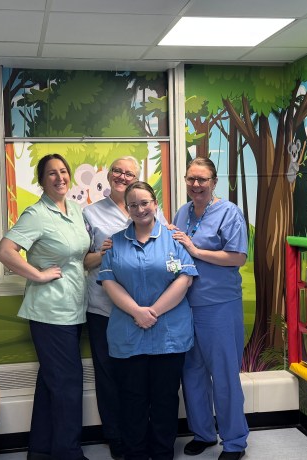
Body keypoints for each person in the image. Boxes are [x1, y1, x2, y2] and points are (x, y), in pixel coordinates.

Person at [0, 153, 91, 460]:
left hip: (73, 308)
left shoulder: (74, 209)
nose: (60, 177)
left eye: (64, 171)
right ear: (41, 179)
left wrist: (105, 251)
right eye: (52, 173)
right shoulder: (36, 214)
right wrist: (37, 274)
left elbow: (77, 257)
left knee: (52, 382)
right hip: (50, 312)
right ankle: (68, 452)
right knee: (68, 385)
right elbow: (4, 250)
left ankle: (40, 449)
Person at [98, 181, 197, 460]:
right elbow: (108, 282)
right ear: (127, 209)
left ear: (155, 204)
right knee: (132, 399)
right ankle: (136, 453)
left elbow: (184, 279)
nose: (140, 209)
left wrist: (152, 311)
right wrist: (137, 312)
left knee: (165, 399)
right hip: (128, 333)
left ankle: (163, 452)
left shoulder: (174, 239)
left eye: (145, 203)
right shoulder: (115, 242)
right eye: (133, 205)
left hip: (169, 334)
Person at [82, 156, 164, 459]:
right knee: (109, 376)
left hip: (146, 312)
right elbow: (83, 261)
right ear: (108, 174)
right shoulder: (90, 213)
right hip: (105, 309)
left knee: (143, 378)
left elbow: (167, 248)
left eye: (129, 172)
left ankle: (142, 436)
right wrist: (103, 253)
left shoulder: (155, 210)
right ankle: (116, 437)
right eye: (117, 171)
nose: (122, 176)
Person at [171, 158, 249, 460]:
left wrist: (194, 250)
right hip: (184, 306)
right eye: (191, 179)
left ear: (214, 182)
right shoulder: (183, 211)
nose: (196, 185)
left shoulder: (229, 213)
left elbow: (237, 257)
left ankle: (234, 441)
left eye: (202, 179)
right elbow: (175, 251)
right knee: (192, 373)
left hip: (219, 306)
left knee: (224, 375)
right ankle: (203, 433)